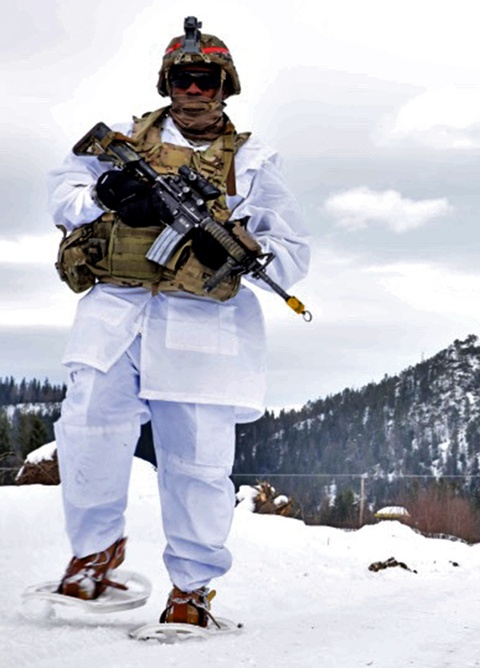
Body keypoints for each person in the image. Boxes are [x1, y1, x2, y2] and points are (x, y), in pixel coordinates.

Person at [47, 17, 310, 626]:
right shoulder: (122, 140)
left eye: (207, 79)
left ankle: (191, 591)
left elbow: (293, 253)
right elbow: (62, 195)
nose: (195, 90)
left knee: (196, 463)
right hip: (114, 313)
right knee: (88, 431)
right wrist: (109, 193)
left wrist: (244, 246)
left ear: (225, 85)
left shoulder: (254, 162)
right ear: (169, 83)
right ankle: (93, 556)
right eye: (184, 79)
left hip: (201, 333)